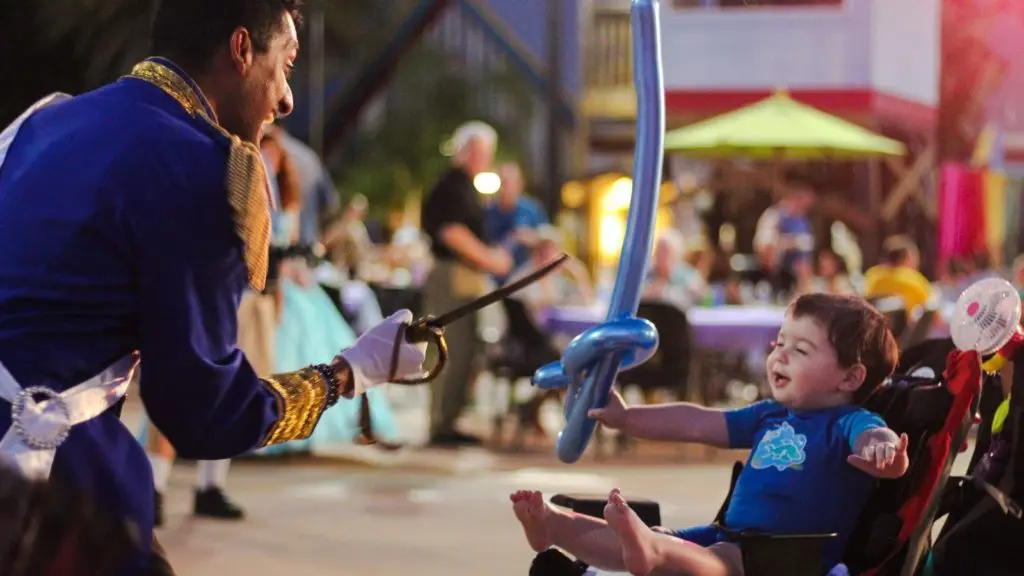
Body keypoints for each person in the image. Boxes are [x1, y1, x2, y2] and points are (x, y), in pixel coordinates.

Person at [0, 2, 427, 574]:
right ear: (242, 49)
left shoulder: (44, 121)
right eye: (287, 65)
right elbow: (202, 414)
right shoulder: (202, 166)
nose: (286, 99)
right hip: (46, 485)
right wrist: (348, 373)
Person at [511, 293, 907, 575]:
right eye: (779, 343)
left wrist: (883, 452)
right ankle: (556, 525)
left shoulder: (849, 421)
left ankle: (649, 550)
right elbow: (696, 422)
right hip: (729, 536)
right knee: (668, 541)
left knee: (712, 560)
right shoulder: (769, 416)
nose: (780, 356)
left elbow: (876, 438)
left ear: (850, 377)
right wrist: (629, 418)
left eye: (801, 350)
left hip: (786, 559)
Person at [421, 121, 512, 447]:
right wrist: (492, 259)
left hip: (464, 275)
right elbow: (451, 233)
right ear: (465, 150)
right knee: (452, 349)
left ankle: (449, 420)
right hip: (453, 274)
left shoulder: (466, 186)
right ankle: (441, 424)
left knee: (464, 349)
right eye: (480, 151)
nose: (484, 158)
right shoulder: (452, 186)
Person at [484, 161, 548, 282]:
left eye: (507, 182)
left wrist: (532, 238)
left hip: (526, 280)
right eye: (501, 182)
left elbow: (549, 240)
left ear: (519, 184)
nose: (504, 187)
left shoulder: (532, 210)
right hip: (495, 279)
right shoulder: (488, 212)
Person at [864, 235, 933, 315]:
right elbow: (931, 308)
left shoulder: (872, 275)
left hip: (876, 323)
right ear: (906, 258)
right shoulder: (912, 279)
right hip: (905, 326)